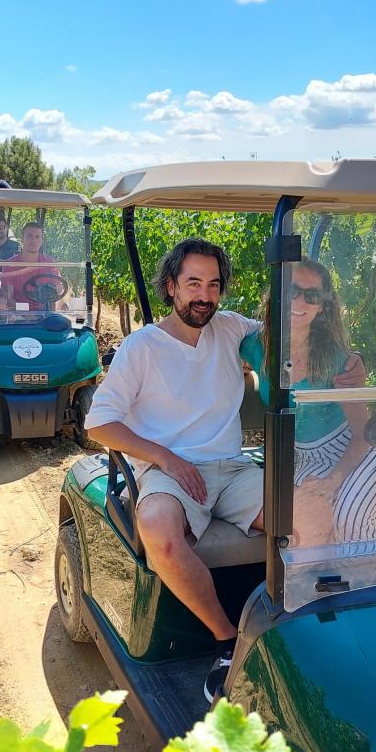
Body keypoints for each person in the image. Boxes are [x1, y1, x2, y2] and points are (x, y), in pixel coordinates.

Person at [84, 238, 263, 703]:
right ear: (170, 287)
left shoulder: (229, 328)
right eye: (193, 283)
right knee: (158, 528)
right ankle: (227, 641)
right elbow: (99, 422)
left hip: (232, 467)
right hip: (171, 471)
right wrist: (165, 457)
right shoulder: (142, 347)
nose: (204, 295)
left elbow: (287, 335)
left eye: (214, 284)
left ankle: (288, 630)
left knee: (308, 515)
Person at [239, 259, 376, 546]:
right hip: (299, 456)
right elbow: (212, 350)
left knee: (351, 521)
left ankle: (374, 584)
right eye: (292, 291)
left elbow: (364, 433)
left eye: (311, 296)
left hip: (355, 447)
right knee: (311, 521)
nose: (300, 301)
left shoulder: (337, 359)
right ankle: (321, 587)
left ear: (323, 306)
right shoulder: (254, 346)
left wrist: (336, 478)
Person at [0, 222, 64, 310]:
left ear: (42, 241)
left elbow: (57, 292)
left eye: (37, 237)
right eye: (29, 236)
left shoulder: (50, 263)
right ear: (22, 239)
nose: (33, 240)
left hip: (44, 314)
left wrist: (51, 316)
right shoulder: (10, 265)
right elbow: (8, 298)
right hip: (19, 315)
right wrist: (26, 312)